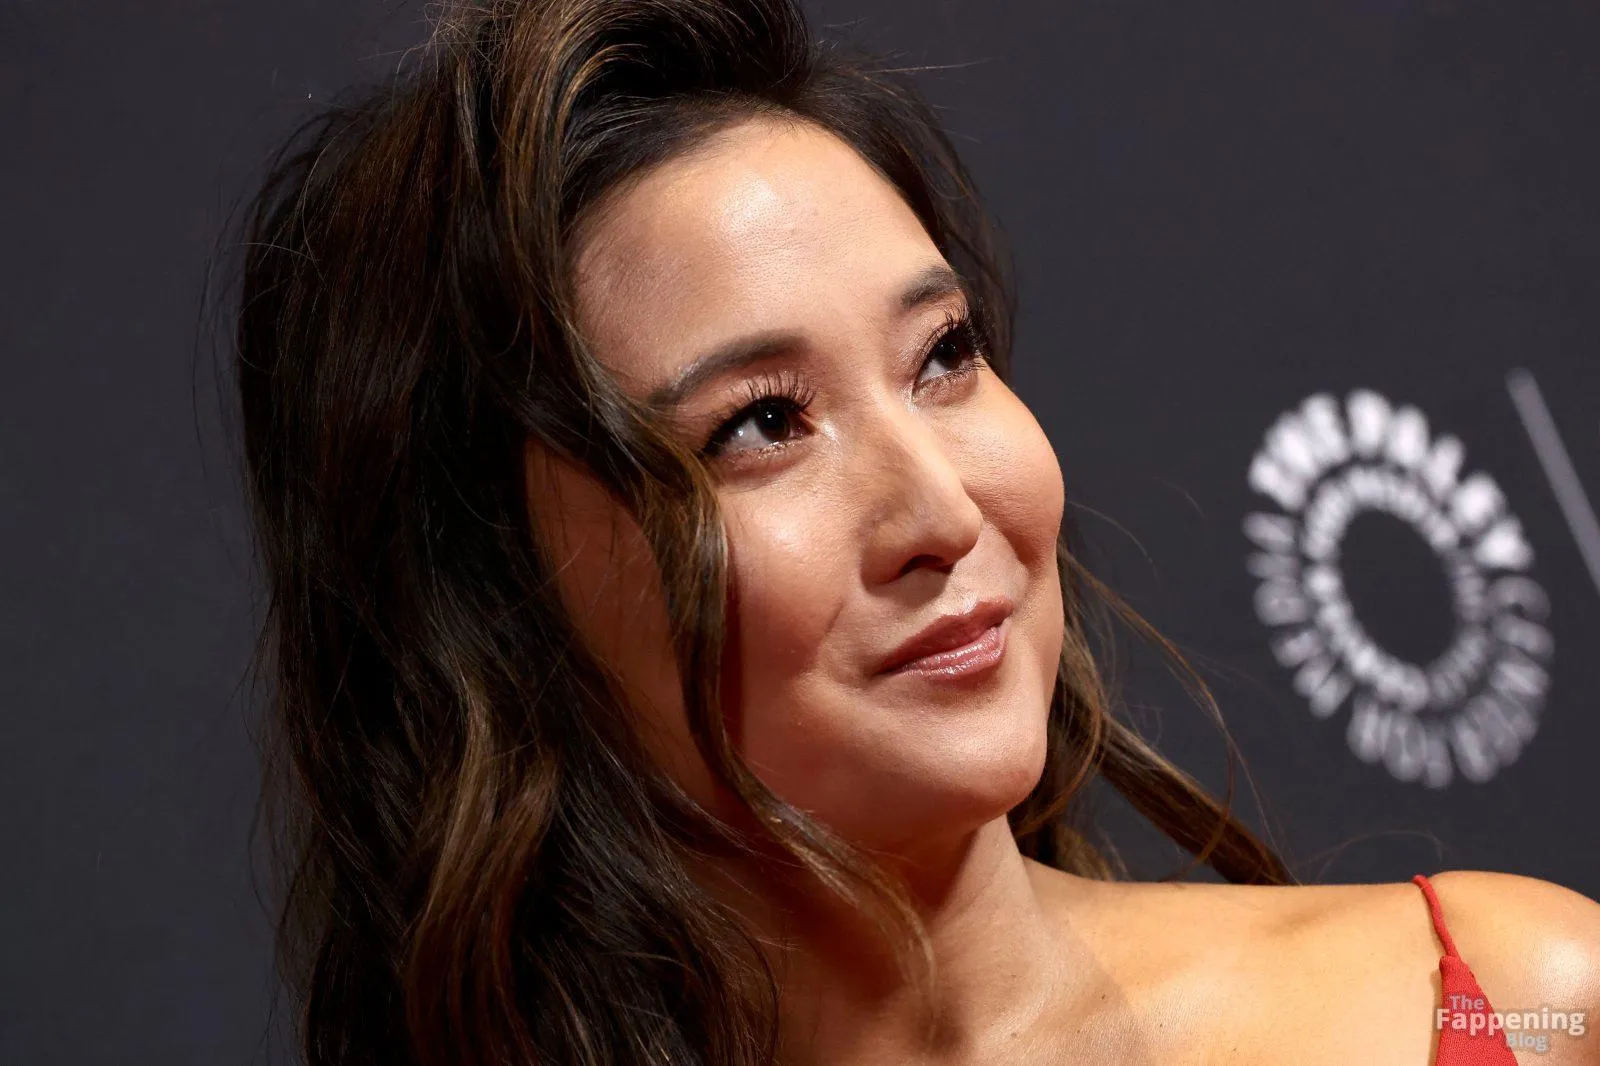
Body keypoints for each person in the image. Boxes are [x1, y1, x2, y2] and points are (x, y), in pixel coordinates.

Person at [229, 0, 1600, 1063]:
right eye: (762, 423)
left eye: (943, 354)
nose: (944, 510)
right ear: (497, 596)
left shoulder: (1515, 1002)